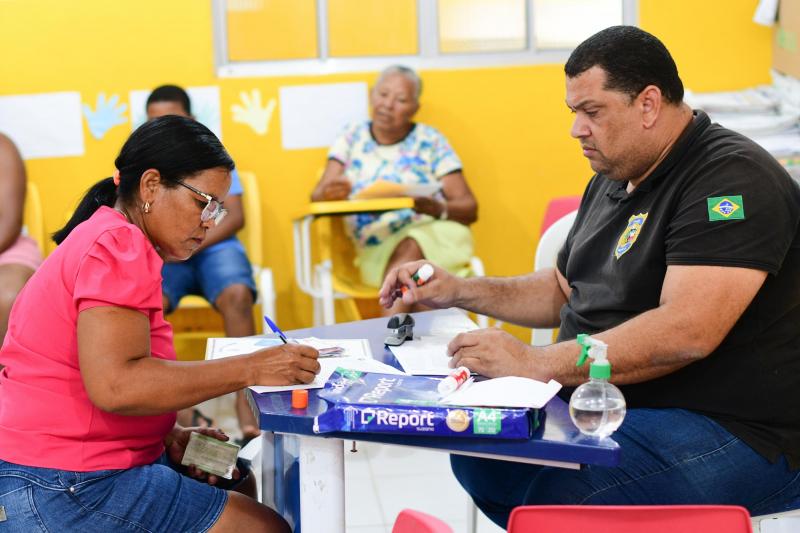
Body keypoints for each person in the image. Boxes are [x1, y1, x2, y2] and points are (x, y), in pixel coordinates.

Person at [379, 26, 800, 527]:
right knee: (482, 452)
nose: (577, 129)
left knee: (566, 496)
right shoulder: (616, 175)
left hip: (738, 428)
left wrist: (535, 362)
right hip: (621, 403)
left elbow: (688, 331)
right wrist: (458, 290)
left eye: (592, 112)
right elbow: (562, 290)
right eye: (573, 112)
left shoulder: (731, 181)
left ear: (648, 104)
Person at [0, 116, 320, 532]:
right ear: (151, 185)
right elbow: (116, 385)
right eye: (203, 203)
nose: (210, 221)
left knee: (234, 473)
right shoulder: (119, 245)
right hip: (61, 482)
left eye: (218, 208)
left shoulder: (111, 235)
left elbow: (96, 372)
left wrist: (164, 434)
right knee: (265, 527)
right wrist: (252, 368)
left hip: (56, 464)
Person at [311, 65, 478, 314]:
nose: (388, 104)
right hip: (376, 247)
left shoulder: (431, 140)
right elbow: (316, 196)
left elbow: (469, 207)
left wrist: (436, 208)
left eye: (400, 100)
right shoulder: (351, 137)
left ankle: (391, 334)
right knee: (422, 287)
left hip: (437, 237)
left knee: (412, 248)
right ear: (371, 95)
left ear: (415, 108)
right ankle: (415, 338)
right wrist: (330, 194)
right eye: (383, 94)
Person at [146, 84, 260, 443]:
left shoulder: (211, 154)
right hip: (168, 252)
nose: (165, 128)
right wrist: (173, 246)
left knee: (237, 295)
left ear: (191, 119)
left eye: (173, 119)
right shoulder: (146, 167)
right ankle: (173, 411)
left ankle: (247, 403)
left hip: (214, 247)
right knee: (144, 304)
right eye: (155, 121)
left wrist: (192, 242)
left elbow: (234, 215)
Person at [0, 134, 42, 345]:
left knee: (6, 293)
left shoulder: (3, 148)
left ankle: (6, 366)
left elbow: (8, 223)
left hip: (6, 247)